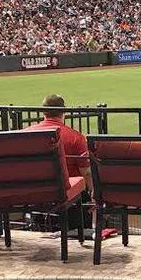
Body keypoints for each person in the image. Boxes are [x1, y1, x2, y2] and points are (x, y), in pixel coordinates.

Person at [23, 94, 90, 236]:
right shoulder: (75, 138)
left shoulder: (25, 134)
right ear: (63, 112)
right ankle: (79, 235)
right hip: (67, 199)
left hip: (34, 193)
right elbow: (87, 173)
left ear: (43, 112)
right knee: (83, 193)